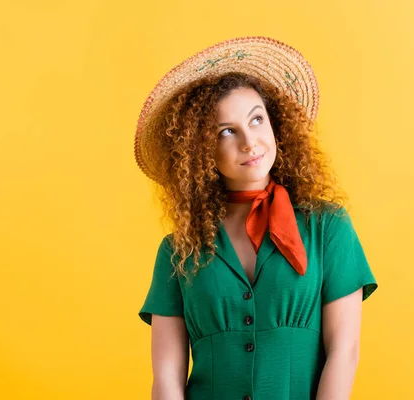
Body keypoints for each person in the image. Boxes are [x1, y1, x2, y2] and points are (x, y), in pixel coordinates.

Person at [134, 36, 378, 400]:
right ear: (200, 150)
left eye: (257, 120)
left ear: (276, 123)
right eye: (226, 131)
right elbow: (166, 380)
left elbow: (344, 351)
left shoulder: (327, 228)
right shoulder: (177, 252)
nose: (250, 142)